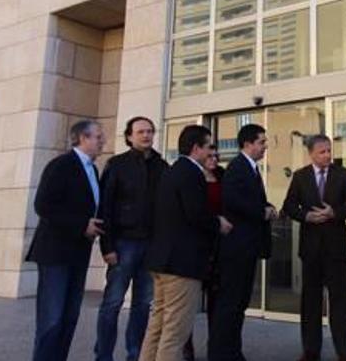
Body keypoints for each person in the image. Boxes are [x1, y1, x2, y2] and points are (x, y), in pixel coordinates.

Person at [140, 125, 233, 361]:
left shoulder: (171, 171)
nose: (211, 151)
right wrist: (218, 222)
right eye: (208, 146)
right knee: (175, 332)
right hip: (182, 265)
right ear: (196, 148)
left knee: (157, 327)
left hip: (161, 261)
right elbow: (196, 214)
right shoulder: (192, 174)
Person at [26, 119, 106, 361]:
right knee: (52, 319)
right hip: (55, 254)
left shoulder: (92, 169)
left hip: (77, 253)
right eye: (98, 137)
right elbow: (44, 205)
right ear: (83, 138)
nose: (102, 141)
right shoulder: (60, 165)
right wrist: (82, 224)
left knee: (70, 317)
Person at [94, 116, 167, 361]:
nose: (146, 135)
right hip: (123, 243)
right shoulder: (117, 164)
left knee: (143, 303)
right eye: (140, 132)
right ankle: (103, 355)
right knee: (112, 302)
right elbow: (105, 207)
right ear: (129, 136)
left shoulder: (161, 165)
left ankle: (135, 354)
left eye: (150, 131)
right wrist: (107, 246)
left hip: (151, 245)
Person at [282, 134, 346, 361]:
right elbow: (289, 205)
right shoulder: (300, 177)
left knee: (340, 301)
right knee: (310, 302)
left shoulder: (342, 174)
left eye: (329, 150)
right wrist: (306, 216)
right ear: (311, 154)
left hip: (335, 248)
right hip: (311, 249)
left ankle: (343, 351)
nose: (327, 155)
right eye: (322, 152)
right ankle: (310, 350)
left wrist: (334, 212)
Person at [208, 124, 277, 361]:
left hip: (248, 247)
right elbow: (234, 201)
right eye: (261, 142)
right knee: (230, 304)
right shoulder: (237, 168)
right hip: (236, 248)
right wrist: (261, 211)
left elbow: (251, 201)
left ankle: (232, 351)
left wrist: (267, 208)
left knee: (239, 304)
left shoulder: (252, 169)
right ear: (248, 144)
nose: (265, 146)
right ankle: (221, 353)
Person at [183, 145, 225, 361]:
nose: (214, 158)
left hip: (218, 245)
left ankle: (215, 348)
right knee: (189, 301)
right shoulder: (192, 178)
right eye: (210, 155)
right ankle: (186, 347)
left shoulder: (222, 176)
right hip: (195, 245)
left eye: (217, 155)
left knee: (216, 301)